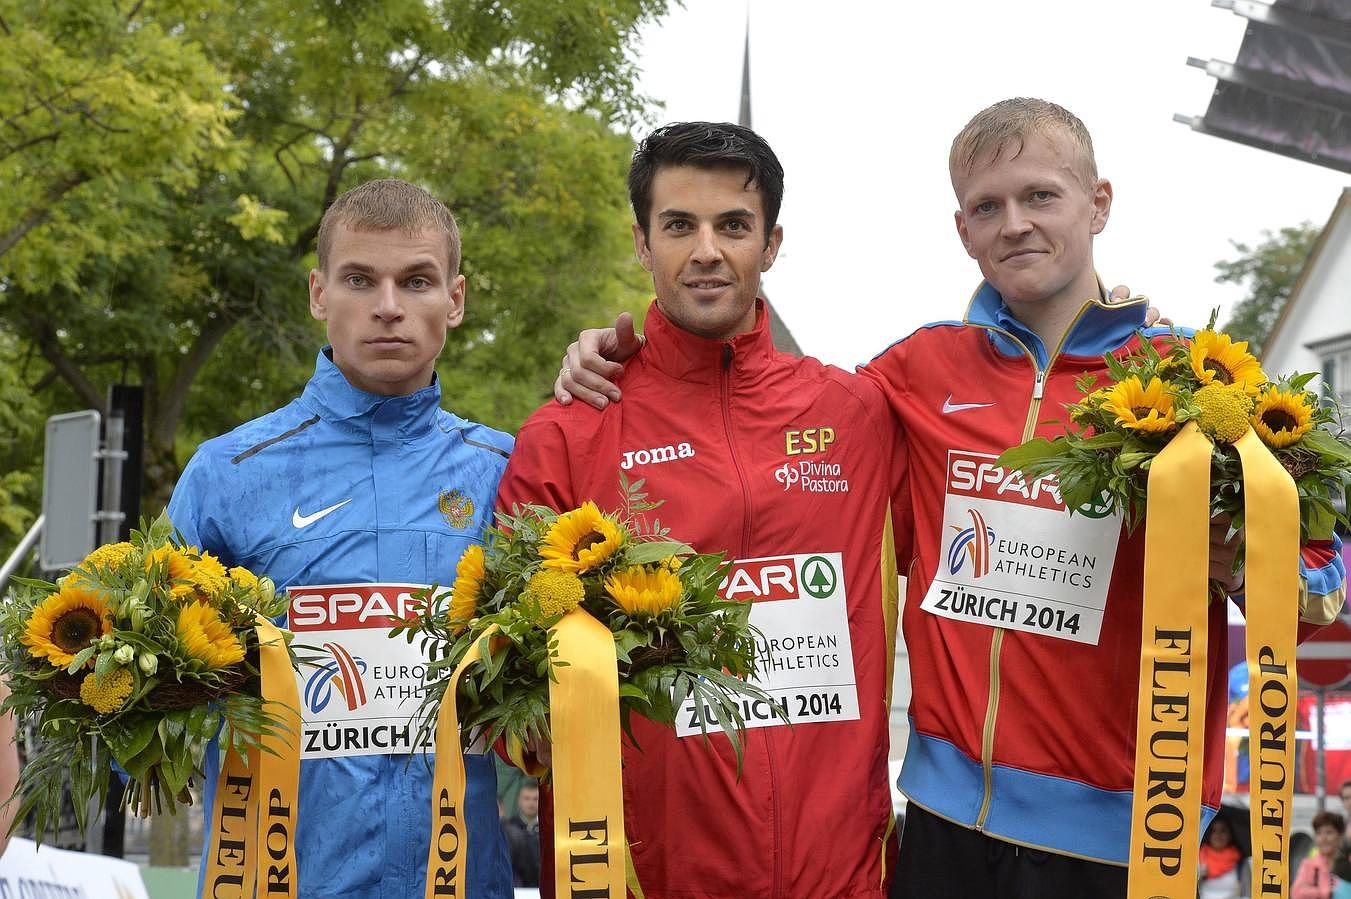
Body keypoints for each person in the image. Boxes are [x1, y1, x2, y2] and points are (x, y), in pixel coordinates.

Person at [557, 99, 1348, 898]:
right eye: (986, 207)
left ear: (1097, 203)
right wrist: (617, 360)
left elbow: (1325, 581)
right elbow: (756, 409)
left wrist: (1242, 559)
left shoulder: (1200, 385)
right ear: (962, 228)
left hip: (1129, 834)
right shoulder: (910, 376)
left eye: (1039, 196)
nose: (1014, 224)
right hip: (940, 820)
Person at [498, 122, 906, 898]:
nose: (707, 250)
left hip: (836, 873)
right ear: (641, 243)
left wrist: (1106, 326)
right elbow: (513, 713)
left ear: (772, 242)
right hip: (645, 874)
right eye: (679, 225)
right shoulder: (567, 433)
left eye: (733, 225)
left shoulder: (857, 414)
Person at [167, 179, 513, 898]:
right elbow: (144, 706)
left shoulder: (508, 473)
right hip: (280, 880)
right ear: (319, 293)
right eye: (361, 279)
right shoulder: (227, 473)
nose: (388, 305)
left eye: (415, 280)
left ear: (455, 298)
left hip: (459, 880)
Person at [1296, 811, 1347, 899]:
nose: (1323, 838)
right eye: (1318, 833)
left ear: (1340, 835)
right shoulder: (1309, 864)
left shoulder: (1347, 863)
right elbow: (1296, 893)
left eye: (1329, 832)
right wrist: (1325, 892)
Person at [503, 781, 542, 888]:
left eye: (535, 799)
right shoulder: (508, 828)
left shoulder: (549, 829)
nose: (531, 803)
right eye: (527, 798)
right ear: (519, 800)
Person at [1198, 816, 1248, 899]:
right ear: (1209, 834)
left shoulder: (1241, 863)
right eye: (1214, 831)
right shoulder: (1197, 859)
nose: (1218, 835)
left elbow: (1247, 894)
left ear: (1230, 835)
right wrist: (1199, 875)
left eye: (1223, 830)